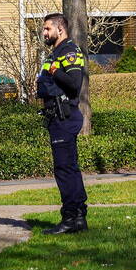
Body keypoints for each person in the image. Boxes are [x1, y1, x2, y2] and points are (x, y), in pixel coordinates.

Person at [37, 13, 89, 234]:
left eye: (47, 29)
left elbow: (74, 84)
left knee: (64, 169)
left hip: (64, 117)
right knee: (69, 168)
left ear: (60, 29)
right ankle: (78, 217)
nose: (44, 33)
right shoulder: (55, 53)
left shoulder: (69, 51)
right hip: (56, 116)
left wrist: (54, 70)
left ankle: (69, 218)